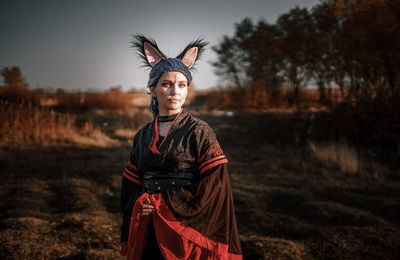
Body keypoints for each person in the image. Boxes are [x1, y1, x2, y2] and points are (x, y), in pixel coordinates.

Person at [120, 35, 242, 260]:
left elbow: (216, 186)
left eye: (182, 85)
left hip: (186, 232)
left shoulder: (200, 131)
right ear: (152, 89)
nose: (175, 91)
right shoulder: (142, 135)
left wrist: (162, 203)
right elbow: (131, 183)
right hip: (149, 228)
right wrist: (140, 202)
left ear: (187, 89)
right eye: (166, 84)